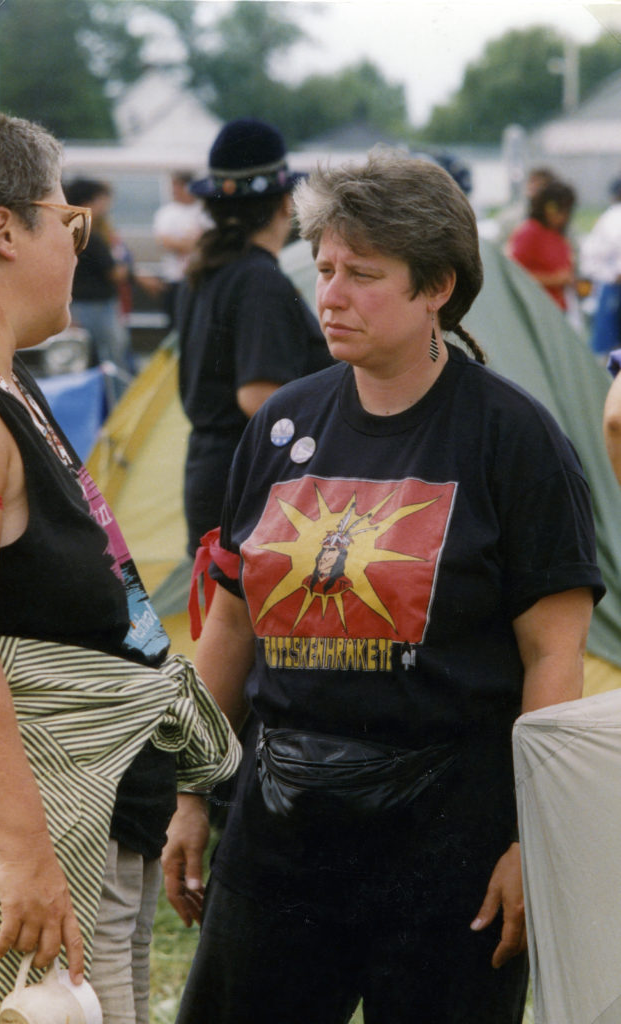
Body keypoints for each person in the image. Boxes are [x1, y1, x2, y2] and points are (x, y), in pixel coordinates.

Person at [163, 150, 604, 1024]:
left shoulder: (511, 438)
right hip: (281, 822)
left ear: (437, 284)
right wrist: (187, 792)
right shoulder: (284, 423)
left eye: (364, 275)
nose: (330, 294)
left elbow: (553, 652)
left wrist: (531, 840)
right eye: (324, 268)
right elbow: (232, 627)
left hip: (450, 831)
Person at [0, 107, 239, 1024]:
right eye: (67, 221)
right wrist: (23, 850)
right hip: (45, 839)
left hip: (105, 814)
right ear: (6, 229)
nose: (80, 246)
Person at [175, 117, 333, 558]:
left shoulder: (208, 272)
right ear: (286, 203)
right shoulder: (259, 281)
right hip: (251, 489)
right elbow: (259, 396)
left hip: (213, 476)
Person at [66, 177, 133, 405]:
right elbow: (114, 273)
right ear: (89, 202)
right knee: (113, 361)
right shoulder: (92, 235)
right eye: (103, 200)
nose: (108, 205)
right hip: (98, 306)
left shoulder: (74, 230)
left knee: (87, 361)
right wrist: (129, 268)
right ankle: (120, 408)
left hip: (80, 305)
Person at [507, 179, 577, 312]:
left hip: (557, 309)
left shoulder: (557, 234)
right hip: (535, 310)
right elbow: (513, 275)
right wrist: (553, 280)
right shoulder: (529, 232)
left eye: (567, 211)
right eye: (560, 210)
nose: (564, 217)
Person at [153, 171, 209, 331]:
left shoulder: (203, 211)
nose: (174, 190)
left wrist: (184, 242)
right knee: (175, 325)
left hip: (198, 278)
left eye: (178, 186)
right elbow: (164, 241)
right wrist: (191, 243)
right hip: (174, 278)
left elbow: (207, 241)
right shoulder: (166, 213)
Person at [580, 176, 621, 359]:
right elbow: (593, 258)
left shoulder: (609, 218)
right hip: (612, 286)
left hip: (610, 282)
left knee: (609, 350)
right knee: (609, 346)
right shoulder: (612, 218)